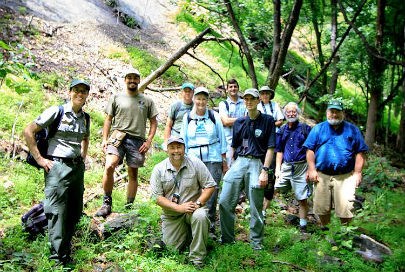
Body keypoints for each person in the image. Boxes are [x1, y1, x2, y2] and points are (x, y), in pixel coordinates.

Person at [24, 78, 91, 264]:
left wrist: (83, 158)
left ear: (87, 96)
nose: (80, 94)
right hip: (57, 167)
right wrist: (39, 159)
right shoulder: (57, 111)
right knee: (57, 211)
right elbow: (29, 131)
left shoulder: (85, 117)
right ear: (70, 92)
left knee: (75, 211)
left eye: (83, 91)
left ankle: (65, 252)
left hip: (77, 168)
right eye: (76, 90)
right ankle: (56, 259)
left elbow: (86, 138)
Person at [95, 68, 158, 217]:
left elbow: (154, 122)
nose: (132, 80)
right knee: (110, 165)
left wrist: (149, 141)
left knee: (133, 173)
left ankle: (129, 207)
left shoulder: (147, 101)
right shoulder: (116, 97)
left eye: (135, 78)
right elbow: (108, 119)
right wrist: (104, 139)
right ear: (125, 80)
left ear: (139, 80)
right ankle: (106, 203)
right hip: (118, 136)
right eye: (129, 78)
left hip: (137, 140)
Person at [219, 88, 276, 250]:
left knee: (256, 205)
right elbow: (234, 146)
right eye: (246, 99)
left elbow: (271, 148)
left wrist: (265, 171)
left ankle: (256, 243)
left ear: (258, 101)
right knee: (224, 201)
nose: (249, 101)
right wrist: (228, 166)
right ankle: (227, 240)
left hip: (257, 163)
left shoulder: (268, 120)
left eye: (252, 99)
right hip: (239, 162)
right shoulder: (239, 122)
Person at [150, 136, 216, 268]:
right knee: (171, 249)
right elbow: (156, 197)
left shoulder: (195, 163)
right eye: (172, 147)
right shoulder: (159, 169)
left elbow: (210, 186)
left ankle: (197, 259)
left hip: (193, 210)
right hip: (172, 215)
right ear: (167, 150)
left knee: (200, 216)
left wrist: (197, 204)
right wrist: (178, 208)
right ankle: (189, 236)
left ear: (184, 148)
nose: (176, 151)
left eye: (179, 147)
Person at [303, 99, 368, 229]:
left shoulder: (352, 130)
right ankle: (326, 231)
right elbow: (310, 150)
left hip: (345, 177)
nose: (334, 115)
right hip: (322, 175)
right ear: (327, 112)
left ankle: (345, 233)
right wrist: (311, 169)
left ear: (342, 113)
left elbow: (360, 152)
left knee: (346, 208)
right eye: (331, 111)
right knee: (321, 207)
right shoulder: (318, 129)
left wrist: (357, 173)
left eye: (337, 112)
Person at [181, 86, 228, 236]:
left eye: (204, 99)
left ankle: (210, 227)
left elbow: (222, 139)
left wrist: (224, 161)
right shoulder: (187, 117)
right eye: (198, 98)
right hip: (193, 159)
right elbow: (183, 140)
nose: (201, 101)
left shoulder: (214, 116)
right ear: (194, 99)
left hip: (213, 158)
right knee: (193, 192)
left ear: (207, 100)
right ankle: (193, 225)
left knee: (211, 193)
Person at [274, 102, 312, 231]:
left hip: (301, 167)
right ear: (285, 114)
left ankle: (303, 225)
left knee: (302, 197)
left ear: (298, 113)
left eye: (294, 112)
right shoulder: (282, 130)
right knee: (273, 189)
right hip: (286, 166)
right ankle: (261, 216)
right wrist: (277, 169)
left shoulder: (305, 129)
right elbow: (279, 151)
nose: (291, 114)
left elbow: (311, 150)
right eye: (288, 112)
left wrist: (311, 169)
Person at [258, 86, 284, 216]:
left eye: (267, 93)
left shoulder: (275, 106)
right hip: (260, 141)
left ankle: (265, 206)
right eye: (263, 93)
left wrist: (269, 125)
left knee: (270, 172)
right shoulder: (257, 106)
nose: (265, 96)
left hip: (273, 140)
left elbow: (280, 120)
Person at [218, 79, 246, 167]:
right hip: (229, 141)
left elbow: (249, 120)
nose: (233, 89)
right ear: (227, 89)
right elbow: (225, 121)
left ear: (238, 88)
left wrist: (232, 120)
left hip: (244, 140)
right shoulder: (223, 104)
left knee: (244, 165)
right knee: (230, 167)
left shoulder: (245, 103)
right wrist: (242, 119)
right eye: (230, 87)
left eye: (235, 86)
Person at [163, 82, 194, 150]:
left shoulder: (196, 106)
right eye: (185, 91)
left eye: (189, 91)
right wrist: (166, 142)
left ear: (193, 92)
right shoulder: (176, 106)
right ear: (182, 92)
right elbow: (168, 125)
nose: (187, 93)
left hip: (191, 137)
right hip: (176, 135)